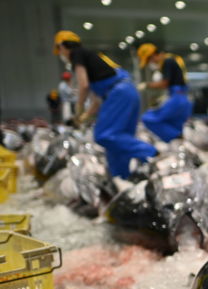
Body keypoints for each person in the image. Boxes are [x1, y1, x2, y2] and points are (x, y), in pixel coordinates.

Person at [53, 30, 156, 178]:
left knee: (103, 135)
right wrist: (85, 117)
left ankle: (152, 153)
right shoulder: (92, 61)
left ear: (63, 46)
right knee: (116, 143)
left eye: (59, 49)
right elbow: (96, 101)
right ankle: (120, 179)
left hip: (119, 94)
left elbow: (83, 85)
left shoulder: (77, 54)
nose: (61, 54)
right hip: (126, 92)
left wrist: (78, 109)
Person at [137, 43, 193, 142]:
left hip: (177, 99)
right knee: (174, 125)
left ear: (153, 55)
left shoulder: (167, 61)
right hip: (183, 98)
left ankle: (176, 138)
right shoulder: (171, 60)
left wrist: (146, 85)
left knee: (148, 118)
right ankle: (179, 142)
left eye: (149, 60)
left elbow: (164, 84)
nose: (151, 63)